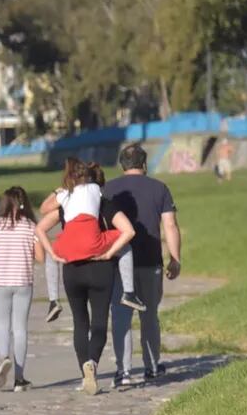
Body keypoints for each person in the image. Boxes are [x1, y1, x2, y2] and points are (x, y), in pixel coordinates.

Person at [37, 170, 136, 395]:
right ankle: (93, 363)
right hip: (101, 267)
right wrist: (109, 252)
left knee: (80, 322)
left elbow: (41, 225)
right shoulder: (105, 204)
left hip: (73, 269)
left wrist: (53, 254)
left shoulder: (66, 205)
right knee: (100, 321)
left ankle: (85, 374)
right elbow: (128, 231)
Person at [104, 143, 182, 386]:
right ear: (144, 163)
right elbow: (170, 225)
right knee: (149, 316)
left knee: (120, 318)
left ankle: (123, 372)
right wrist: (175, 258)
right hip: (151, 262)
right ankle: (151, 366)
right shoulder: (159, 188)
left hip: (117, 263)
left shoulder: (108, 189)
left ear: (121, 165)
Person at [39, 159, 147, 313]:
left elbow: (43, 210)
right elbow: (129, 231)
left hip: (69, 250)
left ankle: (53, 300)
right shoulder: (99, 193)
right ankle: (129, 292)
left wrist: (59, 190)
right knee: (126, 246)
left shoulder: (65, 196)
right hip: (95, 248)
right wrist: (109, 253)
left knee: (52, 252)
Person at [0, 187, 45, 392]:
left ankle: (4, 358)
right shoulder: (30, 227)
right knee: (20, 329)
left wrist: (3, 251)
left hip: (1, 282)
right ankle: (19, 379)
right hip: (23, 282)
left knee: (1, 324)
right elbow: (40, 257)